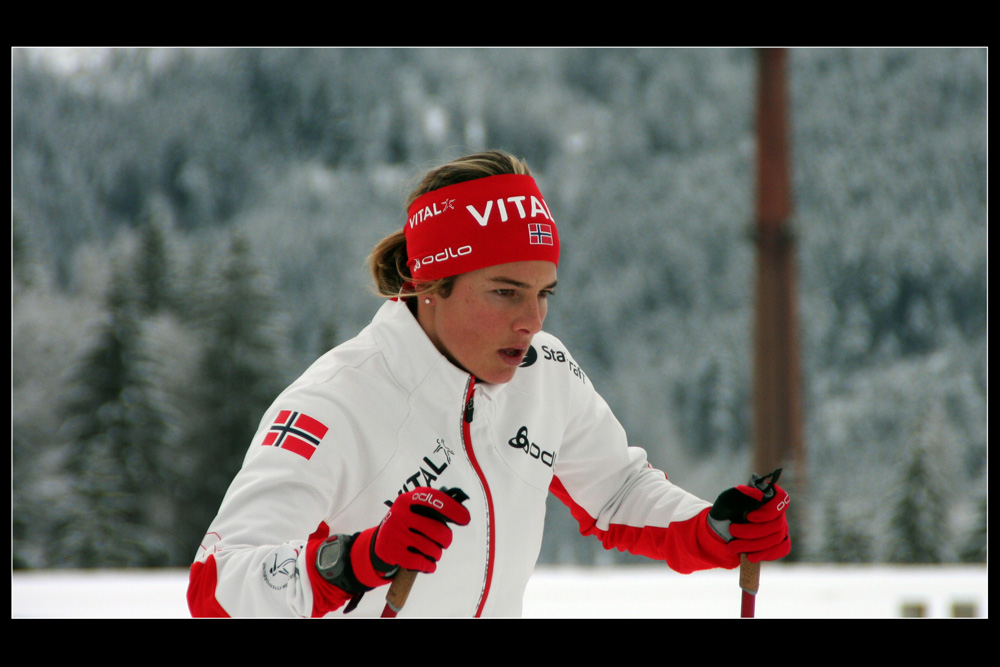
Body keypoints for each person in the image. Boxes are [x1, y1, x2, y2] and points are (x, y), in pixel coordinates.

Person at [186, 150, 790, 618]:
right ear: (431, 283)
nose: (531, 320)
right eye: (505, 291)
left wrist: (714, 529)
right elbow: (217, 586)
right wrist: (355, 559)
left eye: (543, 292)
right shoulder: (334, 402)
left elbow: (616, 492)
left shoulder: (545, 370)